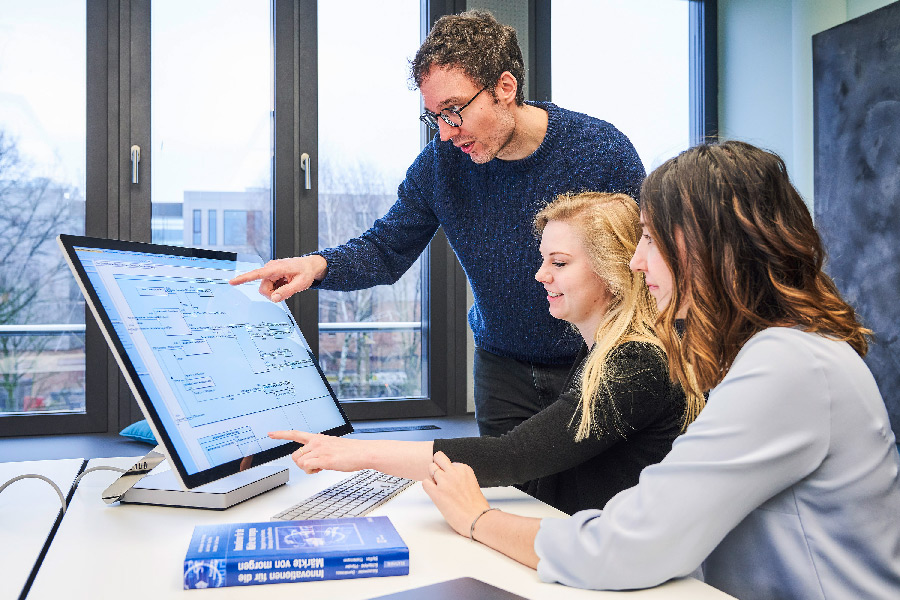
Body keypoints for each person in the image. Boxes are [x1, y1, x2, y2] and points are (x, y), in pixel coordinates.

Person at [419, 141, 900, 599]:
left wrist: (478, 520)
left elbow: (627, 546)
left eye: (650, 237)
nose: (635, 260)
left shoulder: (788, 367)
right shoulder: (781, 354)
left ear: (711, 247)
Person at [229, 10, 645, 438]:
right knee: (511, 493)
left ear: (505, 87)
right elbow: (385, 250)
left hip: (598, 359)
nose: (445, 134)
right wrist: (316, 266)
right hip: (502, 372)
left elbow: (643, 266)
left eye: (453, 111)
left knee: (595, 500)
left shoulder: (599, 152)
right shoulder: (440, 167)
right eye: (435, 117)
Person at [270, 192, 693, 515]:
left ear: (614, 270)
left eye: (559, 263)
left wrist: (356, 453)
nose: (540, 275)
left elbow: (513, 456)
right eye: (544, 260)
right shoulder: (606, 353)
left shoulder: (637, 363)